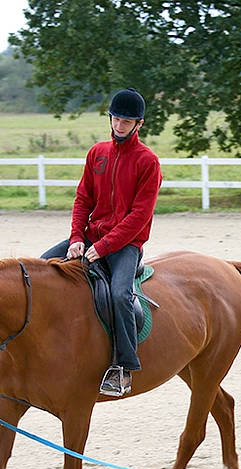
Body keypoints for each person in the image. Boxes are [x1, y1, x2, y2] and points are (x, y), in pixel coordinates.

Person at [42, 88, 162, 397]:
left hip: (126, 246)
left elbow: (138, 216)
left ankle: (124, 366)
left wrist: (104, 246)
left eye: (127, 121)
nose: (119, 126)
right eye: (116, 119)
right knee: (40, 268)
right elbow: (83, 198)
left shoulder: (148, 162)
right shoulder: (97, 154)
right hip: (90, 238)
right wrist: (76, 237)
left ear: (139, 124)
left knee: (120, 295)